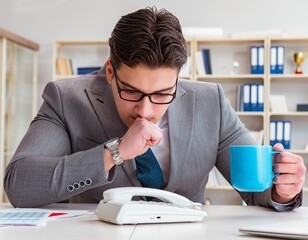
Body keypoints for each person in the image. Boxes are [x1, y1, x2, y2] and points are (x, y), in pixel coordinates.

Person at [4, 7, 306, 210]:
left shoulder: (209, 102)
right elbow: (19, 185)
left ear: (178, 78)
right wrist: (114, 152)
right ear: (110, 72)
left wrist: (283, 190)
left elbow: (255, 192)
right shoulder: (66, 98)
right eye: (131, 91)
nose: (146, 110)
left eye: (163, 93)